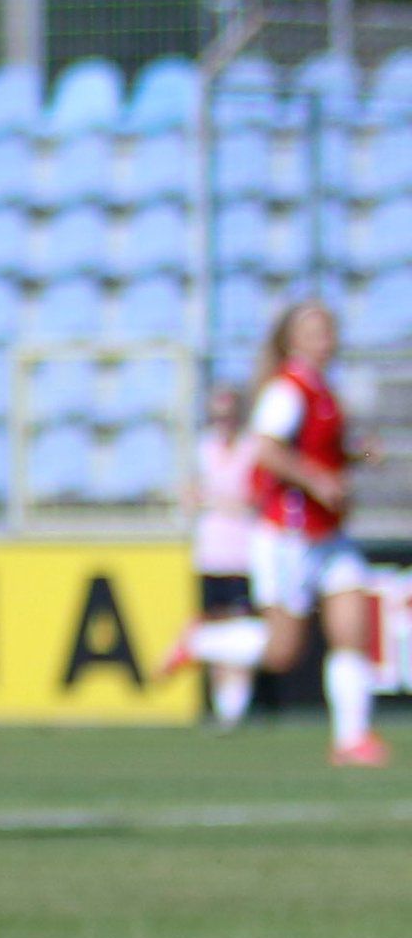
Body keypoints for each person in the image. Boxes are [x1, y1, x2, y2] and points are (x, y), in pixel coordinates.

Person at [241, 299, 386, 767]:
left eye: (328, 329)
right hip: (291, 532)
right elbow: (266, 450)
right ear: (292, 339)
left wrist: (352, 454)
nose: (325, 338)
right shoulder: (286, 389)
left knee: (353, 628)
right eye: (314, 330)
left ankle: (351, 739)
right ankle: (201, 640)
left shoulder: (325, 390)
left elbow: (319, 450)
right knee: (282, 651)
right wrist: (317, 479)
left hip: (328, 534)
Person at [161, 383, 271, 722]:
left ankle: (229, 696)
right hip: (211, 553)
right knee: (220, 623)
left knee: (243, 628)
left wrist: (214, 500)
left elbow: (255, 501)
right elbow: (188, 495)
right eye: (217, 415)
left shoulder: (253, 449)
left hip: (246, 552)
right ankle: (224, 705)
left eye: (228, 415)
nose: (222, 422)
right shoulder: (203, 448)